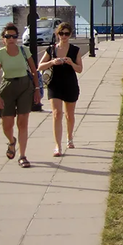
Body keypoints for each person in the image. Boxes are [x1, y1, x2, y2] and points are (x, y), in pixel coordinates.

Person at [0, 22, 40, 168]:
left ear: (17, 38)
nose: (11, 39)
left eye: (14, 36)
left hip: (25, 86)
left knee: (23, 122)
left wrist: (37, 89)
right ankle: (12, 142)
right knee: (7, 124)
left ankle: (23, 155)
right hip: (7, 87)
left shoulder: (24, 51)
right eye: (8, 36)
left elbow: (34, 71)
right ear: (3, 39)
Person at [38, 22, 83, 157]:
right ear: (57, 34)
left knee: (69, 115)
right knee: (57, 114)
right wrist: (52, 62)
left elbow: (80, 69)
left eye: (67, 34)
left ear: (70, 35)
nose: (64, 36)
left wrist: (71, 62)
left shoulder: (75, 50)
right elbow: (40, 66)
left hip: (70, 84)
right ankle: (57, 146)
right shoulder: (51, 50)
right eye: (61, 33)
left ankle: (69, 137)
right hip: (54, 85)